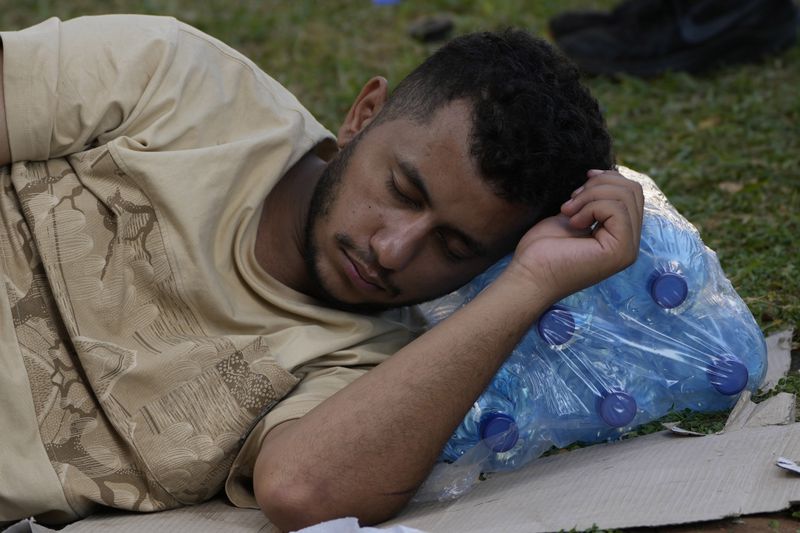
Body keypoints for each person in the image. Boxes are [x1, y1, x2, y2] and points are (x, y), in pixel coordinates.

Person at [0, 14, 643, 532]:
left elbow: (303, 491)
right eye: (401, 190)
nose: (393, 250)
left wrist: (529, 284)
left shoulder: (372, 368)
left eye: (453, 246)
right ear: (363, 117)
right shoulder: (176, 84)